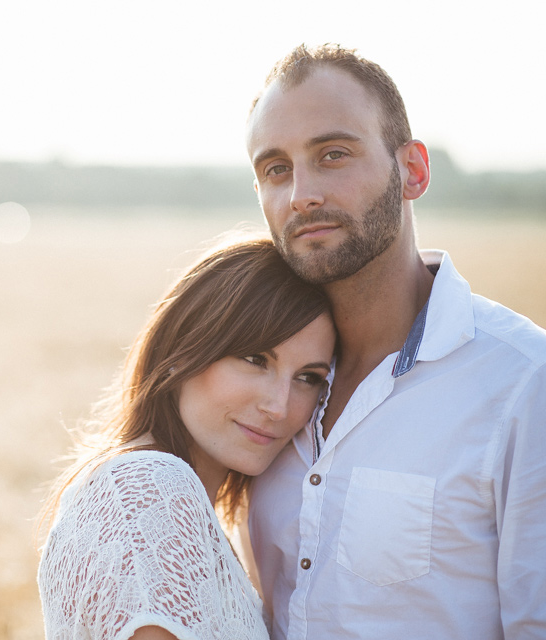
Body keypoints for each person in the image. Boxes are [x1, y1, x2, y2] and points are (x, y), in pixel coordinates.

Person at [244, 44, 546, 639]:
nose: (300, 194)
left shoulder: (522, 385)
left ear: (413, 171)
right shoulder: (255, 382)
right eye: (275, 168)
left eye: (333, 154)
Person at [37, 236, 336, 640]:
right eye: (255, 359)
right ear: (183, 349)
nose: (279, 407)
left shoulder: (192, 508)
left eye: (308, 378)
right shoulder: (149, 490)